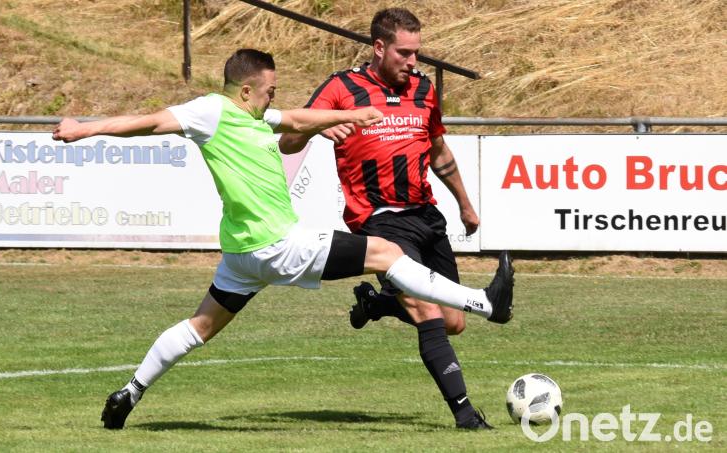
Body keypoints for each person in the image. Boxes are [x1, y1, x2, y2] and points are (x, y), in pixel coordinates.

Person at [52, 48, 513, 430]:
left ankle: (128, 395)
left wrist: (346, 116)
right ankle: (483, 303)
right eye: (269, 87)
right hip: (278, 246)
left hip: (241, 257)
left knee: (200, 327)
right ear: (246, 88)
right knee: (387, 253)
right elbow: (149, 122)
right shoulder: (211, 111)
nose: (275, 94)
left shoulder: (254, 117)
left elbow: (293, 116)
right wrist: (83, 129)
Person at [278, 8, 506, 429]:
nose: (413, 61)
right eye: (404, 52)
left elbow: (438, 150)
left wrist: (465, 204)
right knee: (426, 311)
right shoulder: (341, 87)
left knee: (454, 320)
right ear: (379, 47)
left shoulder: (423, 90)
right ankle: (466, 416)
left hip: (426, 216)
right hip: (379, 222)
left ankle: (377, 303)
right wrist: (318, 127)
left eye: (416, 52)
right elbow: (289, 140)